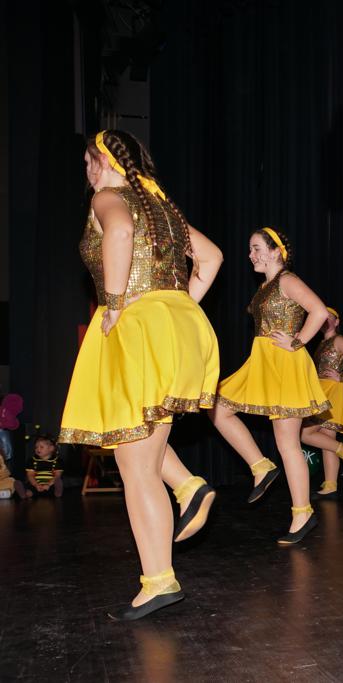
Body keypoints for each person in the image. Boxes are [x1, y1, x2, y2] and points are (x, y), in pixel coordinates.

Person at [59, 129, 222, 619]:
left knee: (136, 467)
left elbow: (120, 235)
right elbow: (211, 257)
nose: (86, 171)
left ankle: (159, 581)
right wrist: (177, 308)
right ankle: (188, 487)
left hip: (139, 327)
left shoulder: (108, 198)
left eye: (88, 161)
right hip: (179, 327)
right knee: (137, 435)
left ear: (104, 161)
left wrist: (113, 304)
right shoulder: (163, 207)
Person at [210, 227, 331, 545]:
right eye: (250, 250)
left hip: (284, 364)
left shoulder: (287, 280)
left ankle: (302, 513)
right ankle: (261, 465)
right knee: (218, 408)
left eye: (256, 248)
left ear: (276, 251)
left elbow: (319, 311)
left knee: (287, 443)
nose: (251, 255)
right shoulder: (265, 286)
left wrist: (298, 341)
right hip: (262, 361)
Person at [301, 307, 343, 499]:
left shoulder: (338, 340)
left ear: (337, 322)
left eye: (330, 317)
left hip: (333, 391)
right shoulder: (322, 343)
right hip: (324, 390)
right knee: (327, 439)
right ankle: (331, 485)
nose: (325, 319)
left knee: (305, 433)